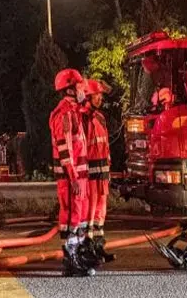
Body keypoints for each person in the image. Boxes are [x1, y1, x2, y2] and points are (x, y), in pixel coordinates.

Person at [49, 68, 92, 277]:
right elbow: (65, 148)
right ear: (70, 89)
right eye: (80, 84)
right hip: (70, 178)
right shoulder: (64, 114)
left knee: (79, 217)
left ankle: (77, 257)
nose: (83, 88)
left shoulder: (73, 110)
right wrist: (74, 177)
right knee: (71, 217)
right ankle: (71, 258)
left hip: (79, 177)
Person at [81, 79, 115, 267]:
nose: (100, 98)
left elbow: (105, 144)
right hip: (90, 172)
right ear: (88, 96)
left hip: (102, 171)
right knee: (90, 209)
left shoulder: (100, 117)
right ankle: (88, 245)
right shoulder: (83, 118)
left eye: (101, 94)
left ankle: (99, 244)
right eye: (97, 94)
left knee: (101, 210)